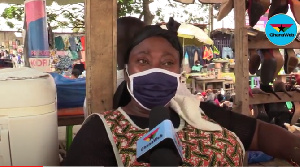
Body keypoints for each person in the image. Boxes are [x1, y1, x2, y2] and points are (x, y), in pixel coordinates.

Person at [63, 21, 300, 166]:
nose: (155, 70)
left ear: (179, 72)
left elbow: (260, 132)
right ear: (127, 73)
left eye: (167, 63)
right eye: (143, 61)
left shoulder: (199, 114)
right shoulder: (101, 131)